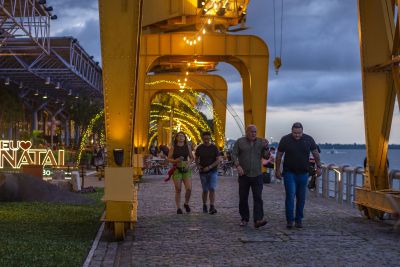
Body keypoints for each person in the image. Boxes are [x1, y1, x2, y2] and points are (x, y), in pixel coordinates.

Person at [275, 122, 322, 229]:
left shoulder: (308, 139)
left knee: (301, 198)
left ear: (302, 131)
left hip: (303, 173)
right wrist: (277, 170)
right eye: (295, 133)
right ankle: (290, 220)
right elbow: (279, 155)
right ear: (291, 131)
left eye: (299, 133)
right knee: (290, 196)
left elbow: (315, 153)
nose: (297, 135)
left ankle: (299, 219)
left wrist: (319, 167)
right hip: (289, 173)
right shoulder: (285, 139)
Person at [232, 125, 270, 228]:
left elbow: (266, 156)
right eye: (252, 131)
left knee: (258, 197)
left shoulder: (261, 142)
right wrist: (237, 165)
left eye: (255, 132)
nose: (254, 134)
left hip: (257, 174)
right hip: (244, 174)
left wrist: (266, 147)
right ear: (247, 132)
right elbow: (233, 154)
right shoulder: (240, 142)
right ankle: (244, 218)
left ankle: (258, 219)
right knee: (243, 198)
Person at [168, 132, 194, 214]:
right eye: (179, 136)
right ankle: (178, 208)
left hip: (186, 168)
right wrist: (175, 160)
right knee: (178, 189)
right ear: (176, 138)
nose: (181, 137)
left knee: (189, 189)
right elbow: (169, 158)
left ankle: (186, 203)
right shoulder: (173, 147)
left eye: (183, 136)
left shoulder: (188, 147)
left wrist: (188, 164)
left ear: (185, 138)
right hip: (177, 168)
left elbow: (192, 158)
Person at [195, 131, 221, 214]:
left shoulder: (214, 148)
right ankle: (204, 205)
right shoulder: (199, 148)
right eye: (205, 139)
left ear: (210, 138)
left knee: (212, 188)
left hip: (213, 171)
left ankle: (212, 206)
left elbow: (218, 160)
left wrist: (210, 167)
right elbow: (196, 158)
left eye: (208, 139)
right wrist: (198, 166)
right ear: (202, 138)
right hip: (203, 172)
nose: (206, 140)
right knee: (205, 190)